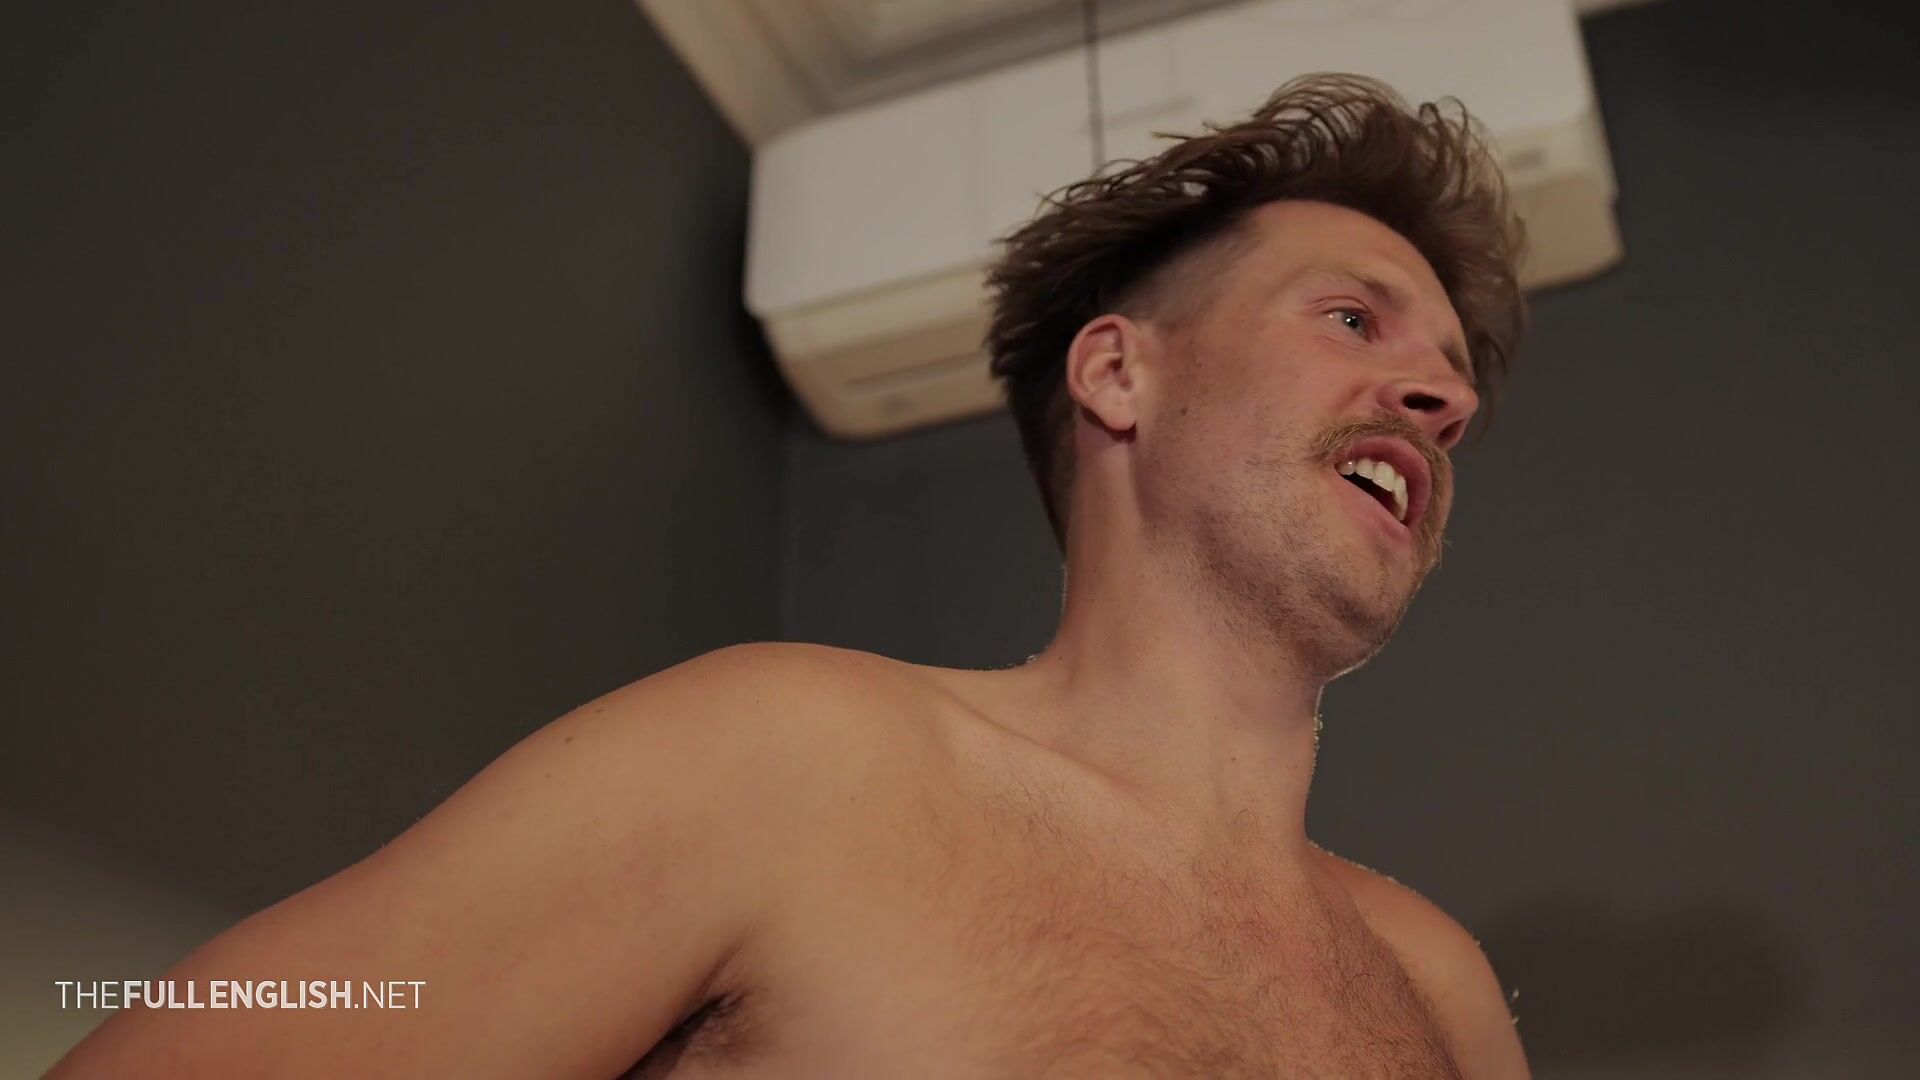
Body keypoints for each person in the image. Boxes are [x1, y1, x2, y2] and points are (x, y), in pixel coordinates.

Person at [53, 73, 1531, 1078]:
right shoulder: (792, 764)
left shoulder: (1438, 988)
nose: (1444, 399)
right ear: (1117, 375)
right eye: (1354, 320)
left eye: (1453, 379)